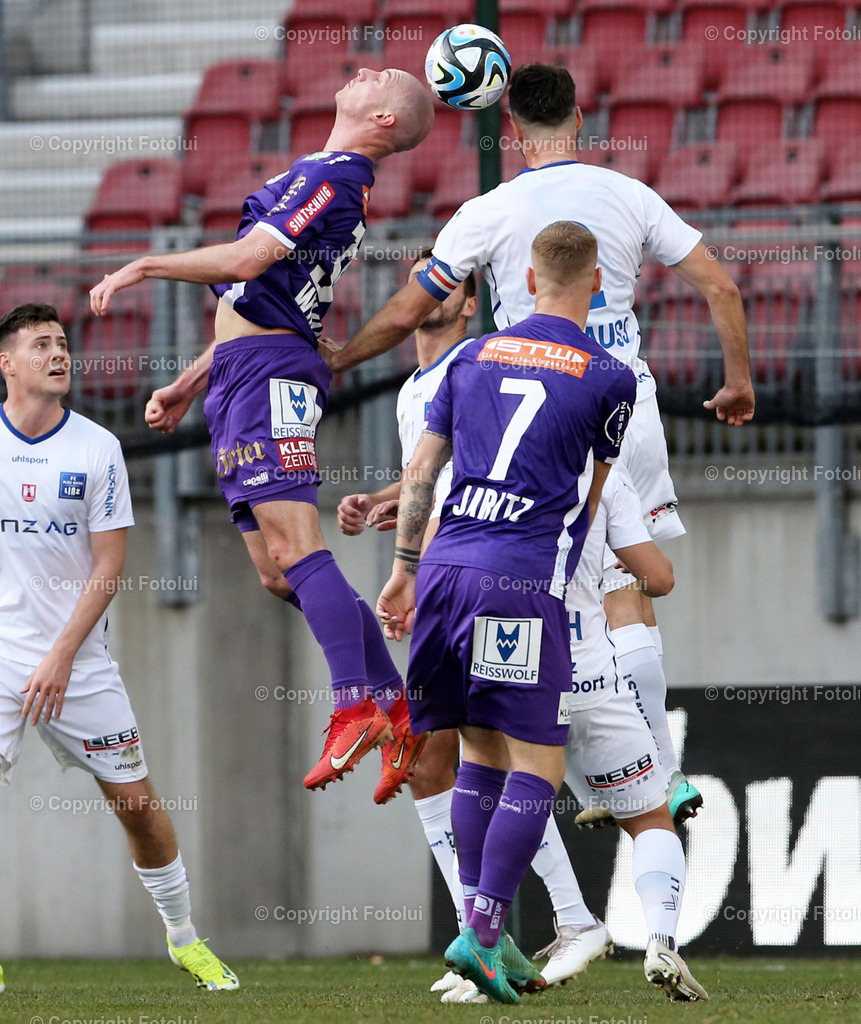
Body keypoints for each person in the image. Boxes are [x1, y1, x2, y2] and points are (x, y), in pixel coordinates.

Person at [327, 63, 756, 823]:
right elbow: (720, 286)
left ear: (512, 131)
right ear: (581, 117)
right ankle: (657, 769)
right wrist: (736, 383)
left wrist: (336, 359)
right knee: (623, 588)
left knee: (537, 587)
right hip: (624, 400)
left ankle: (568, 774)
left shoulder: (487, 209)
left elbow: (406, 312)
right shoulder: (627, 195)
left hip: (531, 417)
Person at [88, 69, 435, 799]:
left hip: (269, 374)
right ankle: (397, 706)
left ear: (380, 121)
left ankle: (354, 706)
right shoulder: (322, 173)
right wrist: (189, 382)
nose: (364, 69)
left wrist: (145, 264)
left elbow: (247, 261)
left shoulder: (338, 176)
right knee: (278, 573)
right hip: (246, 368)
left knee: (295, 548)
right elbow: (261, 294)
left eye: (382, 78)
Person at [339, 250, 614, 1001]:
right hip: (519, 581)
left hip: (443, 571)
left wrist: (401, 570)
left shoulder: (471, 358)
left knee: (476, 754)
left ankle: (488, 934)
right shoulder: (608, 375)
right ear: (598, 280)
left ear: (524, 281)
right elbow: (589, 498)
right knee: (539, 767)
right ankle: (486, 932)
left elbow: (425, 470)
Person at [0, 304, 237, 992]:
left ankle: (184, 938)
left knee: (136, 805)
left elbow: (108, 568)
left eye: (64, 344)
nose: (57, 353)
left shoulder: (96, 446)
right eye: (40, 344)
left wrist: (60, 657)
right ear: (6, 363)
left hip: (78, 662)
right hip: (4, 653)